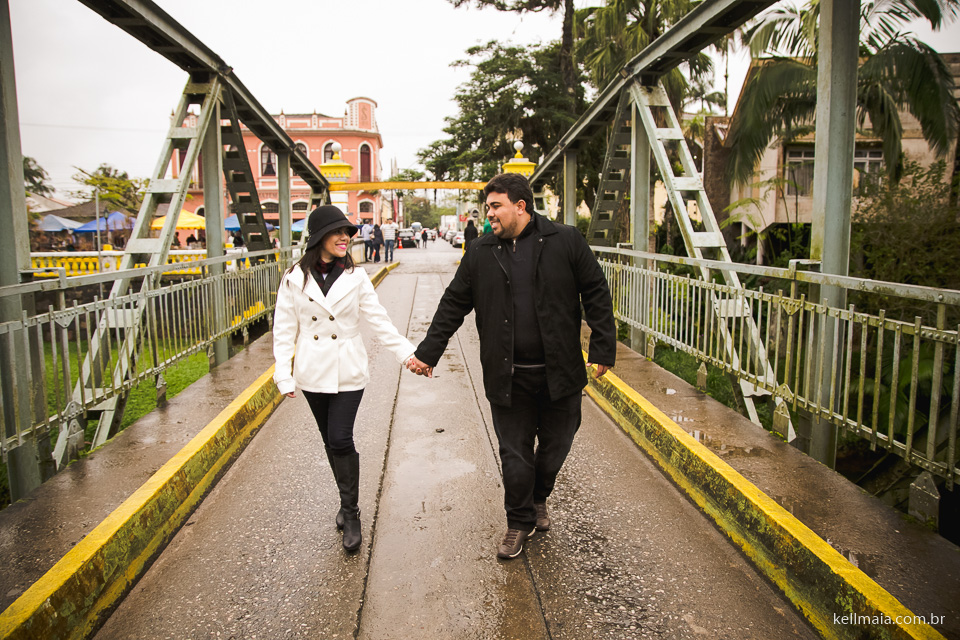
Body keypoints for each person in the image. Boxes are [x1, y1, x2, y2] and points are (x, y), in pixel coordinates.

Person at [406, 173, 616, 560]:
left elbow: (596, 293)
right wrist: (428, 352)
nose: (489, 214)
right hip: (508, 375)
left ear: (520, 206)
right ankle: (519, 520)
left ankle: (538, 497)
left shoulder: (566, 240)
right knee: (515, 453)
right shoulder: (481, 251)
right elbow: (454, 303)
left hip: (560, 372)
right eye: (487, 207)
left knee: (556, 446)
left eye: (495, 206)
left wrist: (603, 347)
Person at [273, 206, 417, 553]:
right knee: (329, 441)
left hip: (348, 368)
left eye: (347, 233)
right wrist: (283, 372)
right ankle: (344, 500)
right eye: (337, 232)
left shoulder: (357, 277)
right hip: (312, 369)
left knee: (340, 437)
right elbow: (284, 328)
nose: (345, 238)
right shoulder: (293, 277)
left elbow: (379, 320)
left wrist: (407, 354)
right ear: (318, 237)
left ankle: (351, 513)